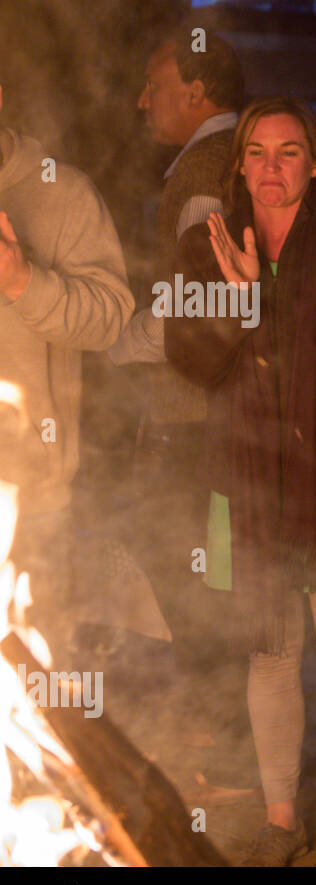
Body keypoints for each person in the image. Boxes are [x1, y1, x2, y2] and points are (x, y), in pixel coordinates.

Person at [165, 96, 316, 865]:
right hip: (249, 479)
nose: (272, 168)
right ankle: (280, 817)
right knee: (269, 652)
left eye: (290, 151)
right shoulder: (205, 251)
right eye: (257, 153)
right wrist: (237, 302)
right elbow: (193, 362)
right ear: (238, 164)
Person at [109, 24, 253, 791]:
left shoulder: (202, 171)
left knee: (190, 568)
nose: (142, 100)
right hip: (221, 410)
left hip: (193, 413)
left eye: (155, 84)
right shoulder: (232, 156)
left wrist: (109, 340)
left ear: (198, 92)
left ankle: (227, 739)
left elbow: (202, 312)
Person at [0, 80, 132, 658]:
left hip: (31, 502)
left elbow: (109, 319)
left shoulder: (62, 191)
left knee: (36, 692)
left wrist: (21, 282)